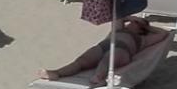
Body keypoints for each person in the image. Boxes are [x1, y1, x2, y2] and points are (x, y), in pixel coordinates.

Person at [39, 17, 169, 80]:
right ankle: (56, 73)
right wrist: (132, 18)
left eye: (135, 23)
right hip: (104, 46)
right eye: (131, 21)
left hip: (122, 51)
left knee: (107, 60)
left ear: (142, 29)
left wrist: (147, 27)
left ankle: (97, 77)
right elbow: (118, 17)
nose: (130, 23)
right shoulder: (119, 29)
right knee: (81, 61)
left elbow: (163, 34)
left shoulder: (142, 40)